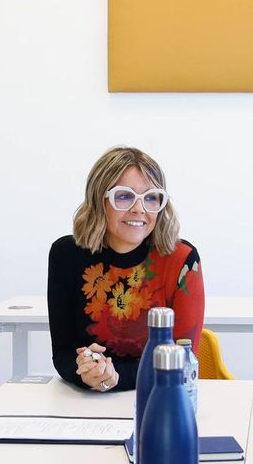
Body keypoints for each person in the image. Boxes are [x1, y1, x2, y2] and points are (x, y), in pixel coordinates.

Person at [47, 146, 204, 392]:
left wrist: (115, 377)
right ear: (99, 200)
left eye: (151, 197)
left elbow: (182, 360)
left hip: (160, 397)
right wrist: (85, 373)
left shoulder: (182, 260)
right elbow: (63, 353)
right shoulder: (66, 255)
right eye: (124, 196)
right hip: (87, 405)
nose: (139, 209)